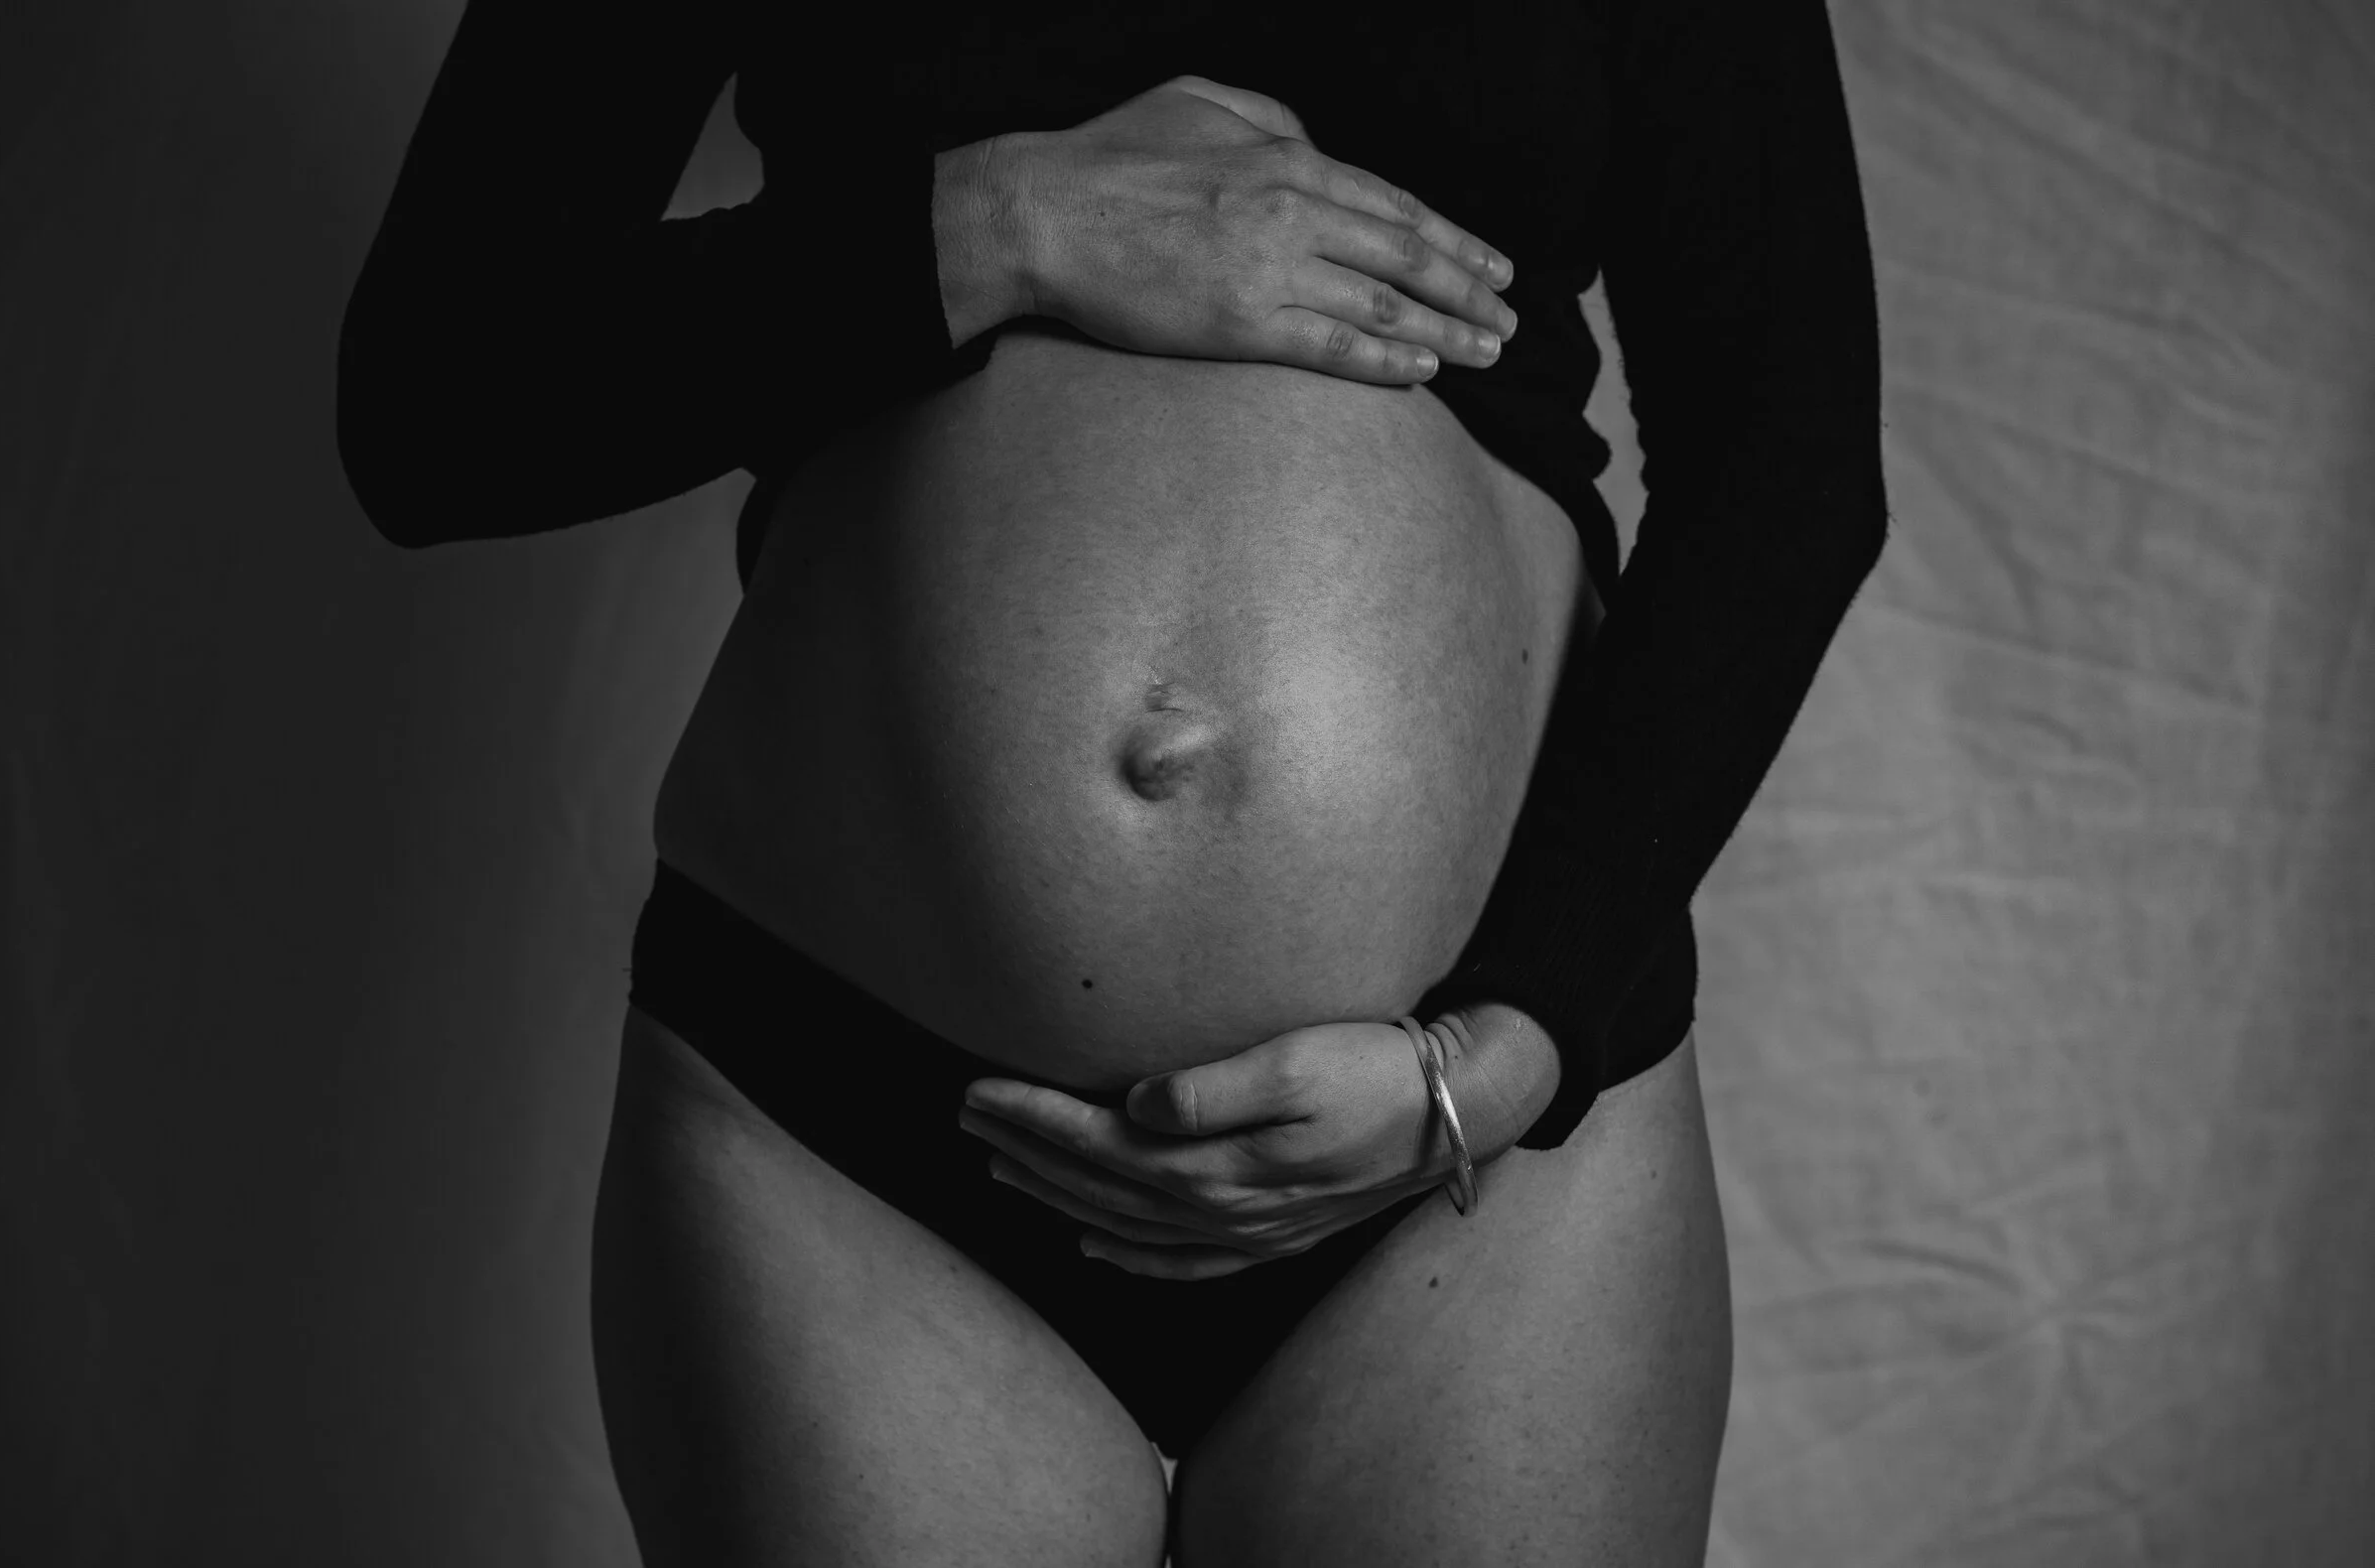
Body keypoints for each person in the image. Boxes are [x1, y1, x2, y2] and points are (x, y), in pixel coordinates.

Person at [336, 2, 1886, 1562]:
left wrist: (1518, 1043)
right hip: (845, 1122)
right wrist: (1003, 225)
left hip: (1481, 1136)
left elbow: (1788, 449)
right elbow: (438, 394)